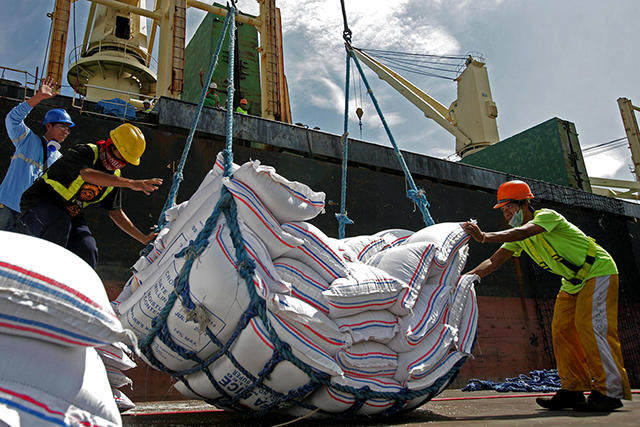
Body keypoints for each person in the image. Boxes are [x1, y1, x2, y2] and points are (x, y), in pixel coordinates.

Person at [461, 180, 631, 412]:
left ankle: (609, 392)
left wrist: (485, 236)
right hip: (572, 283)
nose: (506, 211)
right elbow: (494, 261)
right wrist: (463, 279)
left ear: (524, 204)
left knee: (590, 326)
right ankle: (573, 390)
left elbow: (524, 231)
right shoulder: (518, 236)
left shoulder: (546, 217)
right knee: (561, 330)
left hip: (597, 271)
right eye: (502, 208)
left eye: (508, 206)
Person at [20, 123, 163, 269]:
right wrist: (131, 183)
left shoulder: (115, 177)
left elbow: (115, 212)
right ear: (111, 144)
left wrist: (143, 238)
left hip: (69, 214)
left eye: (126, 161)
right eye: (121, 155)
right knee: (59, 224)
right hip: (39, 203)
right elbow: (87, 174)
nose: (121, 163)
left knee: (88, 249)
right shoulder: (86, 152)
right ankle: (42, 274)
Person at [0, 75, 73, 232]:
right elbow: (13, 119)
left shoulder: (59, 159)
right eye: (63, 126)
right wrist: (38, 97)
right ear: (48, 126)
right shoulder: (27, 140)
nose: (66, 131)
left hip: (30, 217)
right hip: (6, 207)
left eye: (68, 129)